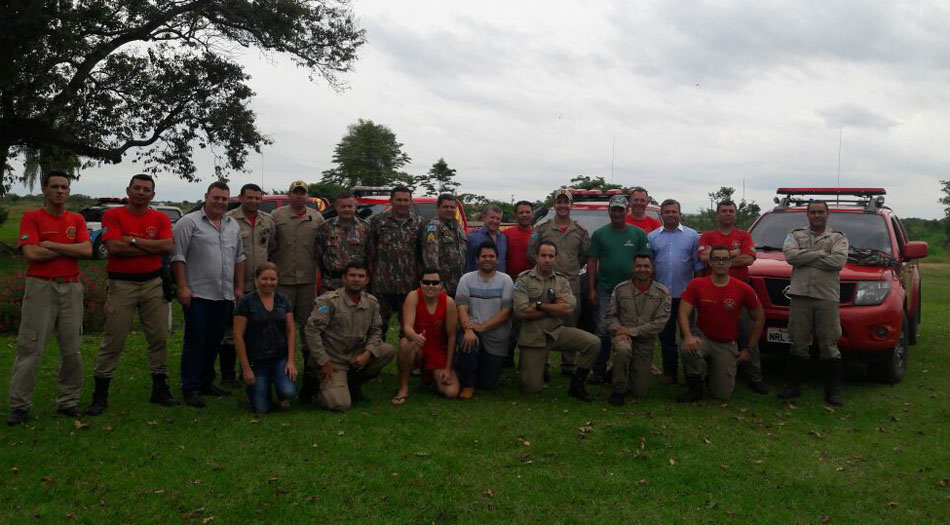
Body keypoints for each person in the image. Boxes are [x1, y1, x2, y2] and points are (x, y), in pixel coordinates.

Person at [85, 174, 178, 416]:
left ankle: (160, 389)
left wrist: (133, 240)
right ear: (128, 190)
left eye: (146, 189)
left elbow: (167, 246)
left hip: (153, 284)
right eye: (136, 188)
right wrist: (150, 244)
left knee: (157, 339)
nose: (141, 192)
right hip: (122, 285)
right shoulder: (113, 215)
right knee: (113, 340)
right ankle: (100, 395)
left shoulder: (159, 217)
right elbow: (114, 248)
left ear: (153, 195)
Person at [7, 171, 92, 426]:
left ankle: (68, 401)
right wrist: (69, 249)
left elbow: (87, 250)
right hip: (41, 288)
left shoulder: (76, 218)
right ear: (44, 189)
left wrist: (52, 245)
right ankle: (19, 406)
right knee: (30, 347)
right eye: (54, 186)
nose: (60, 191)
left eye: (64, 187)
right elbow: (32, 253)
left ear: (69, 191)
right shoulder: (32, 217)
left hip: (71, 287)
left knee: (72, 349)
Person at [172, 181, 245, 408]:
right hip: (198, 294)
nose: (220, 202)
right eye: (216, 197)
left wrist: (239, 287)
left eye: (224, 199)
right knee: (195, 341)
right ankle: (191, 386)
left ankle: (206, 382)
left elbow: (239, 258)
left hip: (223, 295)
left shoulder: (232, 225)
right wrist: (182, 287)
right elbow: (178, 257)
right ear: (206, 197)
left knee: (214, 341)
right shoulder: (189, 222)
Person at [779, 201, 849, 406]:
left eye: (820, 212)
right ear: (807, 214)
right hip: (800, 295)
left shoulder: (838, 237)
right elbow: (790, 257)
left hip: (826, 297)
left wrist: (805, 256)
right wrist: (820, 253)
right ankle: (793, 386)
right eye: (812, 212)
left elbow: (838, 262)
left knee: (829, 343)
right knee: (798, 342)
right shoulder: (795, 234)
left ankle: (832, 391)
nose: (816, 215)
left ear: (827, 214)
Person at [676, 246, 765, 402]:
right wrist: (688, 336)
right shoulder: (697, 284)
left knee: (721, 395)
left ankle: (715, 371)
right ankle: (695, 387)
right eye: (716, 259)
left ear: (731, 263)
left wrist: (749, 349)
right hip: (702, 337)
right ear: (710, 262)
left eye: (725, 259)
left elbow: (759, 317)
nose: (721, 263)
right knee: (687, 348)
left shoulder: (743, 288)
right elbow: (683, 312)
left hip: (726, 343)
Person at [304, 262, 396, 412]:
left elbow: (376, 330)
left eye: (361, 276)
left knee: (387, 351)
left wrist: (367, 354)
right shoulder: (329, 301)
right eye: (352, 275)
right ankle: (318, 388)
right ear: (344, 279)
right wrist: (323, 361)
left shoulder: (371, 303)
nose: (356, 279)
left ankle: (352, 384)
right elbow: (311, 331)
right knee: (341, 404)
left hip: (355, 354)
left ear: (366, 280)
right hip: (332, 359)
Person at [513, 241, 599, 401]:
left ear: (556, 259)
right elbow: (521, 311)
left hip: (556, 332)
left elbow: (568, 308)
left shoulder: (562, 280)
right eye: (543, 255)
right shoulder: (524, 279)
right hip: (533, 337)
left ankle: (577, 384)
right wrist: (553, 307)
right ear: (536, 257)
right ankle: (536, 369)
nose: (547, 259)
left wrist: (539, 305)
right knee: (531, 389)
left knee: (593, 343)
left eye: (550, 256)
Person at [698, 200, 767, 394]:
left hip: (739, 292)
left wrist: (718, 257)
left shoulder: (744, 235)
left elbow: (750, 259)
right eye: (724, 211)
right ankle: (707, 374)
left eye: (731, 211)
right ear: (717, 214)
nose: (727, 214)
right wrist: (735, 254)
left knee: (746, 333)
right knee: (709, 334)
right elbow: (703, 257)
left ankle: (754, 376)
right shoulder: (708, 236)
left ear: (736, 215)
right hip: (711, 293)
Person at [587, 194, 652, 382]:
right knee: (602, 329)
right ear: (609, 211)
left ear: (627, 211)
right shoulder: (600, 234)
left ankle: (626, 367)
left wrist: (645, 288)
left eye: (620, 210)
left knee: (630, 328)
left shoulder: (638, 234)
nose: (617, 213)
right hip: (606, 289)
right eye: (614, 209)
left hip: (631, 291)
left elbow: (646, 262)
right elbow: (592, 261)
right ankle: (599, 369)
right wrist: (591, 288)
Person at [218, 183, 276, 389]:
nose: (253, 201)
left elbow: (272, 248)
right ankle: (227, 374)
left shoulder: (268, 221)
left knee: (256, 330)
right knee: (231, 331)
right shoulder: (229, 219)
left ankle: (249, 370)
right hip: (235, 284)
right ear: (241, 198)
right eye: (249, 197)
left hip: (260, 286)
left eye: (257, 198)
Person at [526, 189, 589, 377]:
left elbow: (584, 256)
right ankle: (542, 364)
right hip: (545, 284)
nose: (562, 206)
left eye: (566, 202)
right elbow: (531, 252)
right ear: (554, 205)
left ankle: (568, 365)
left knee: (570, 324)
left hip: (570, 285)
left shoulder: (580, 230)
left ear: (571, 205)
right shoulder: (542, 229)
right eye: (559, 202)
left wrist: (569, 267)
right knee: (544, 322)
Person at [270, 180, 323, 402]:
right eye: (295, 193)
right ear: (289, 195)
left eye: (303, 193)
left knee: (308, 328)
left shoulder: (317, 218)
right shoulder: (276, 216)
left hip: (308, 283)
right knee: (281, 328)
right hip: (282, 283)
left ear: (307, 197)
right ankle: (281, 373)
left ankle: (311, 375)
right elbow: (270, 246)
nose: (299, 197)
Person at [648, 199, 704, 386]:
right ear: (661, 214)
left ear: (680, 213)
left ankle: (692, 373)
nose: (671, 214)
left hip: (686, 296)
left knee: (688, 334)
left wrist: (697, 293)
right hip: (662, 296)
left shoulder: (692, 236)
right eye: (667, 212)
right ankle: (670, 372)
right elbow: (650, 267)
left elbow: (698, 267)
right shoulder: (653, 237)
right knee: (666, 337)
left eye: (674, 211)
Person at [605, 255, 671, 405]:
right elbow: (610, 316)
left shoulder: (662, 293)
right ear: (633, 268)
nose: (642, 269)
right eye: (639, 266)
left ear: (652, 269)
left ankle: (616, 370)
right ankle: (618, 390)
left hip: (644, 341)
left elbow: (660, 322)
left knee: (640, 392)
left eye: (646, 266)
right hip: (622, 337)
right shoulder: (620, 289)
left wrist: (632, 331)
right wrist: (618, 331)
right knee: (622, 349)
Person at [233, 262, 297, 414]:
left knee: (289, 391)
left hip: (279, 357)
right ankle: (256, 388)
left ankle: (280, 393)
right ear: (256, 279)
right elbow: (237, 335)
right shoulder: (246, 302)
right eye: (264, 279)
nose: (269, 283)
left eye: (273, 279)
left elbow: (291, 331)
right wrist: (246, 368)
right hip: (257, 360)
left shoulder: (283, 300)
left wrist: (290, 361)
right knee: (261, 409)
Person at [392, 269, 460, 405]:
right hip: (417, 346)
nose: (430, 286)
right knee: (405, 343)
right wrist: (415, 336)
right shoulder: (413, 297)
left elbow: (452, 337)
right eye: (426, 282)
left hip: (436, 350)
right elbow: (407, 327)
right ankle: (403, 388)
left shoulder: (448, 302)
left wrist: (447, 368)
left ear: (441, 285)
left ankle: (430, 375)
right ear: (420, 284)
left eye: (435, 283)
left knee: (451, 392)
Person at [455, 242, 514, 399]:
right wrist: (468, 329)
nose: (487, 259)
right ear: (477, 259)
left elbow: (506, 312)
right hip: (472, 330)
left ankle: (469, 369)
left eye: (491, 256)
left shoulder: (506, 280)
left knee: (487, 383)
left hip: (496, 336)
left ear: (497, 259)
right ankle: (467, 385)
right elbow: (461, 307)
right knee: (467, 343)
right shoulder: (466, 279)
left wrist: (483, 327)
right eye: (484, 256)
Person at [367, 185, 424, 340]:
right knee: (377, 328)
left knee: (408, 329)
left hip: (409, 286)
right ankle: (376, 360)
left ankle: (407, 363)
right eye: (398, 199)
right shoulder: (377, 222)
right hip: (382, 286)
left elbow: (422, 254)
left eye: (406, 200)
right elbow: (370, 252)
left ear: (411, 202)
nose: (402, 203)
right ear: (391, 200)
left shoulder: (419, 223)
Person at [503, 200, 535, 367]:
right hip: (511, 283)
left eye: (527, 212)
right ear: (516, 215)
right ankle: (507, 357)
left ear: (532, 214)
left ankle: (530, 361)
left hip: (532, 284)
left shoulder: (538, 234)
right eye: (521, 212)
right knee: (510, 323)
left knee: (529, 323)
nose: (524, 215)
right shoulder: (507, 234)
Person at [316, 190, 368, 292]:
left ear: (355, 206)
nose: (347, 209)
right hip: (330, 285)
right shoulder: (325, 228)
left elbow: (370, 257)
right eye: (343, 206)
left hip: (357, 285)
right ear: (336, 207)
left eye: (350, 206)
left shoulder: (365, 228)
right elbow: (317, 257)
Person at [421, 193, 467, 297]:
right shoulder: (432, 228)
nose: (449, 210)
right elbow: (430, 259)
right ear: (438, 208)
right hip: (443, 286)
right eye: (446, 207)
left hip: (458, 284)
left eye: (452, 207)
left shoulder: (458, 227)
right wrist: (436, 284)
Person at [465, 204, 507, 273]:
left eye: (498, 218)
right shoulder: (472, 238)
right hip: (478, 281)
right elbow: (467, 263)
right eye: (492, 217)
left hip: (499, 281)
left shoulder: (503, 238)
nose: (495, 221)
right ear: (484, 218)